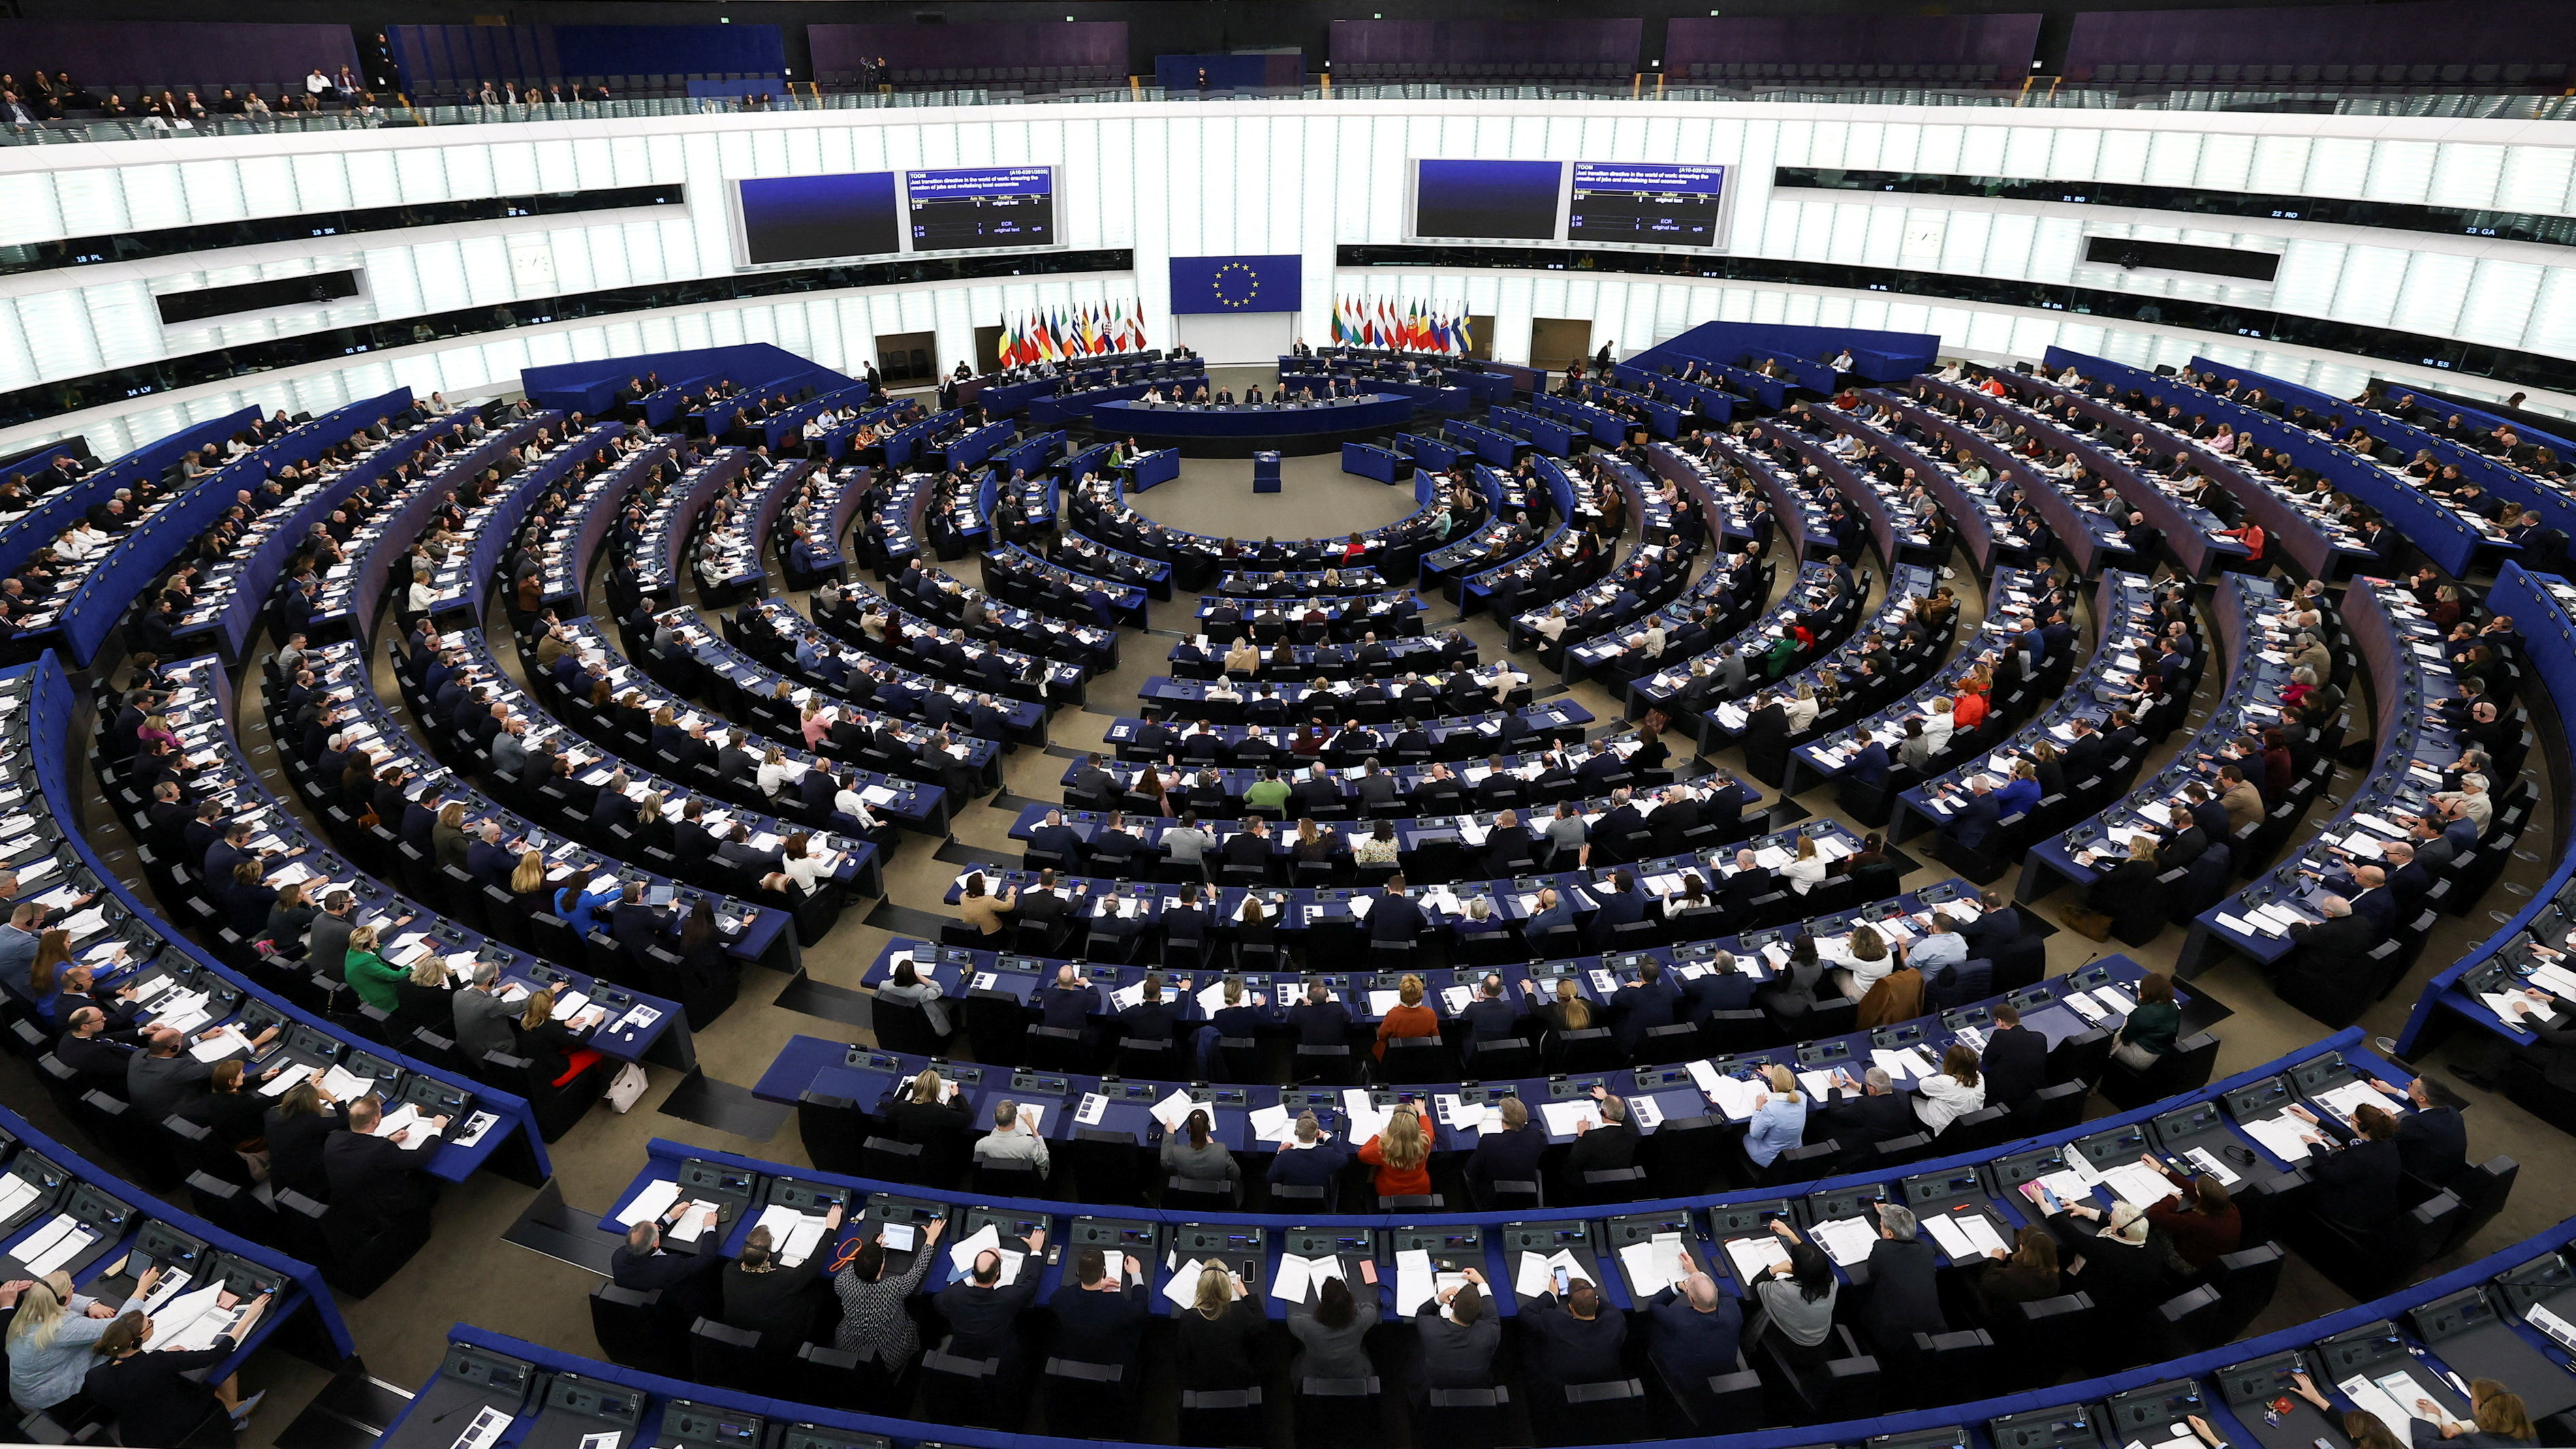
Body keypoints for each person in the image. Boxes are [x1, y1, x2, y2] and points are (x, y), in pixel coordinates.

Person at [80, 1290, 273, 1445]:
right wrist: (248, 1317)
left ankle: (229, 1414)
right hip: (184, 1426)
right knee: (210, 1377)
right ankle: (229, 1413)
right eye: (150, 1324)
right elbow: (216, 1355)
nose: (152, 1324)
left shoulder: (94, 1376)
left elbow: (132, 1377)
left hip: (140, 1439)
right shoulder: (157, 1362)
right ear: (137, 1341)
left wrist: (164, 1358)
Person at [7, 1271, 146, 1414]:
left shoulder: (32, 1309)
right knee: (121, 1347)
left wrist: (90, 1305)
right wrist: (141, 1289)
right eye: (70, 1287)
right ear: (61, 1300)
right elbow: (119, 1326)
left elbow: (57, 1298)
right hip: (51, 1401)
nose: (74, 1286)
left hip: (25, 1393)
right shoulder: (63, 1328)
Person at [934, 1223, 1049, 1377]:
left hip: (961, 1353)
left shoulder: (955, 1295)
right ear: (997, 1274)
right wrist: (1035, 1250)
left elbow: (938, 1302)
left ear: (973, 1272)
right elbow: (1031, 1283)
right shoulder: (1007, 1298)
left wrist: (965, 1282)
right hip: (998, 1358)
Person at [832, 1216, 947, 1367]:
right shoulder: (893, 1287)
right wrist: (931, 1239)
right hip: (890, 1354)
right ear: (882, 1267)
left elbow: (856, 1267)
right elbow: (918, 1270)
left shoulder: (842, 1282)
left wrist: (872, 1251)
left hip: (849, 1348)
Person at [723, 1209, 840, 1350]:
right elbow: (813, 1265)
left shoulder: (729, 1270)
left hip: (741, 1333)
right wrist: (831, 1230)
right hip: (779, 1341)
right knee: (820, 1291)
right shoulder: (783, 1279)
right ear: (767, 1256)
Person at [2295, 1100, 2405, 1230]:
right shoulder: (2386, 1142)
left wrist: (2317, 1149)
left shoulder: (2359, 1156)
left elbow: (2329, 1174)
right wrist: (2316, 1121)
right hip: (2381, 1207)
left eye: (2352, 1118)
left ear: (2362, 1128)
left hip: (2352, 1213)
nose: (2350, 1119)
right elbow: (2351, 1138)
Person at [1518, 1275, 1629, 1399]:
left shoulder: (1554, 1323)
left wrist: (1551, 1294)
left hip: (1559, 1390)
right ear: (1597, 1302)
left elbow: (1525, 1314)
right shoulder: (1615, 1321)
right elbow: (1608, 1308)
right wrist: (1586, 1291)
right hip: (1606, 1387)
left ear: (1570, 1308)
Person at [1049, 1247, 1148, 1379]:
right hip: (1111, 1362)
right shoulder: (1116, 1304)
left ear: (1078, 1272)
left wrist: (1092, 1285)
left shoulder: (1061, 1297)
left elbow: (1067, 1294)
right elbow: (1141, 1308)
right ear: (1103, 1273)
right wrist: (1136, 1274)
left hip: (1074, 1356)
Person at [1859, 1203, 1946, 1354]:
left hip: (1894, 1338)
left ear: (1889, 1234)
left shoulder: (1882, 1250)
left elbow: (1873, 1274)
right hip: (1934, 1332)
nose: (1881, 1227)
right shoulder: (1925, 1248)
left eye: (1882, 1226)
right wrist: (1889, 1214)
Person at [1746, 1223, 1839, 1362]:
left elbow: (1757, 1286)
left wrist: (1777, 1268)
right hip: (1821, 1342)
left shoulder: (1786, 1291)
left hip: (1794, 1347)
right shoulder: (1832, 1281)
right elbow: (1814, 1262)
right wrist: (1791, 1236)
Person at [1647, 1258, 1743, 1390]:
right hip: (1724, 1377)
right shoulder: (1733, 1310)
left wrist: (1679, 1286)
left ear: (1690, 1298)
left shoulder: (1680, 1318)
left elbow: (1655, 1304)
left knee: (1654, 1327)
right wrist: (1696, 1273)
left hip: (1689, 1384)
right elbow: (1723, 1294)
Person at [2135, 1154, 2241, 1268]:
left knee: (2148, 1233)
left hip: (2191, 1262)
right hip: (2215, 1255)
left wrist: (2172, 1199)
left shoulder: (2196, 1221)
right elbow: (2192, 1188)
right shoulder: (2229, 1208)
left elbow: (2155, 1215)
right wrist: (2163, 1170)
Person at [1175, 1264, 1263, 1390]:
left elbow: (1182, 1357)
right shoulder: (1240, 1311)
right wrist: (1246, 1295)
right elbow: (1261, 1325)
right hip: (1239, 1378)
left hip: (1201, 1381)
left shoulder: (1188, 1317)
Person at [1287, 1274, 1381, 1380]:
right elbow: (1371, 1309)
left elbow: (1292, 1319)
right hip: (1353, 1373)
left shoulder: (1307, 1326)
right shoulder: (1360, 1321)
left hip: (1314, 1373)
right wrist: (1349, 1308)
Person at [1974, 1226, 2062, 1318]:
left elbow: (1985, 1283)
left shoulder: (2010, 1277)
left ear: (2022, 1248)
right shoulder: (2053, 1277)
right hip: (2026, 1314)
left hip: (2000, 1314)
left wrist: (1995, 1260)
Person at [1979, 1002, 2049, 1112]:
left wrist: (1994, 1041)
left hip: (2005, 1098)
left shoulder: (2000, 1036)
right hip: (2035, 1095)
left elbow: (1987, 1059)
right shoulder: (2040, 1038)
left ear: (2000, 1022)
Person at [1162, 1107, 1242, 1202]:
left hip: (1186, 1198)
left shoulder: (1178, 1153)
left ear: (1189, 1128)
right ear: (1208, 1127)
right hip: (1217, 1200)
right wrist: (1213, 1148)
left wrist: (1170, 1134)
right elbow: (1236, 1175)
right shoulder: (1220, 1150)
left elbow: (1165, 1162)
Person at [1357, 1101, 1434, 1200]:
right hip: (1421, 1189)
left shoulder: (1384, 1148)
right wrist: (1422, 1111)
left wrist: (1379, 1135)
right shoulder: (1425, 1142)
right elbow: (1429, 1129)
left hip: (1389, 1191)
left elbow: (1362, 1154)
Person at [2111, 971, 2182, 1070]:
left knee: (2104, 1045)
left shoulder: (2143, 1014)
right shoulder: (2172, 1006)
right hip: (2165, 1052)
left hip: (2142, 1058)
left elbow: (2126, 1038)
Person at [1742, 1063, 1808, 1168]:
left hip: (1771, 1158)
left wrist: (1758, 1108)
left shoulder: (1771, 1109)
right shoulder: (1802, 1098)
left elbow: (1755, 1135)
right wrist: (1770, 1076)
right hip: (1795, 1152)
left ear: (1775, 1085)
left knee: (1746, 1136)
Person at [1913, 1043, 1987, 1134]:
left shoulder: (1945, 1082)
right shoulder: (1980, 1077)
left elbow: (1923, 1084)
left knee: (1911, 1098)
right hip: (1966, 1123)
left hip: (1942, 1126)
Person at [877, 956, 952, 1038]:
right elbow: (938, 990)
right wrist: (919, 976)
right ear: (913, 976)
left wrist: (902, 976)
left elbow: (893, 983)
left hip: (898, 1020)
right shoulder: (919, 991)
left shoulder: (884, 986)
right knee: (949, 1002)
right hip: (923, 1022)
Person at [1374, 973, 1439, 1061]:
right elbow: (1435, 1036)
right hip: (1420, 1058)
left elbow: (1382, 1036)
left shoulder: (1394, 1015)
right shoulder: (1430, 1014)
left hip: (1393, 1057)